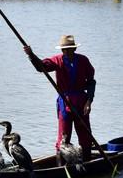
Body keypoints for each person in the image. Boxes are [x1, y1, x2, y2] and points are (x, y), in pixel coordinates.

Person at [23, 34, 97, 162]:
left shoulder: (83, 60)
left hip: (81, 102)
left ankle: (87, 162)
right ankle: (61, 166)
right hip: (65, 102)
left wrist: (89, 102)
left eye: (69, 49)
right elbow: (41, 67)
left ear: (74, 49)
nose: (66, 52)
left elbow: (91, 82)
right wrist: (31, 55)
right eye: (64, 49)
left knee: (85, 135)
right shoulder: (57, 60)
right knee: (63, 136)